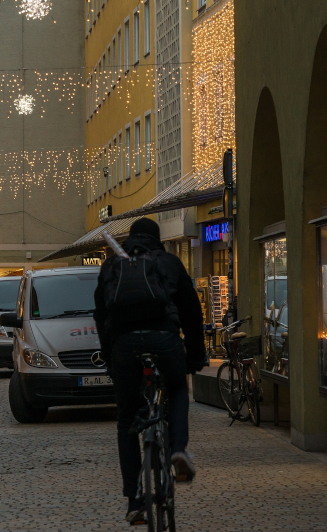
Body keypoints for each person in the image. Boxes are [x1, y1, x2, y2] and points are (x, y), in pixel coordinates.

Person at [93, 217, 206, 524]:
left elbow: (100, 314)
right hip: (165, 339)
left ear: (131, 238)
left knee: (127, 418)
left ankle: (134, 500)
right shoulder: (169, 262)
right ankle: (178, 451)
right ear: (159, 239)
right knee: (178, 389)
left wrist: (110, 357)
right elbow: (191, 312)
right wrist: (195, 357)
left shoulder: (112, 265)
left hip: (124, 346)